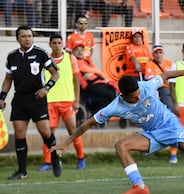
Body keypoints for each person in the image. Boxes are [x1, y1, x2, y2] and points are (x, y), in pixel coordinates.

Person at [49, 68, 184, 194]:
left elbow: (165, 75)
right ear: (123, 95)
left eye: (139, 94)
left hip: (171, 127)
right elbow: (87, 123)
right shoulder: (114, 107)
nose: (138, 98)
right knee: (121, 146)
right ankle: (139, 186)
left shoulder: (146, 85)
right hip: (153, 135)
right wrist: (66, 144)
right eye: (133, 97)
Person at [0, 25, 62, 179]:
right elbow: (8, 79)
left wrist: (46, 88)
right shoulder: (12, 56)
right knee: (20, 134)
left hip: (37, 99)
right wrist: (2, 97)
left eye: (29, 36)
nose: (27, 39)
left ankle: (55, 158)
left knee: (46, 132)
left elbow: (55, 74)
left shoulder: (40, 53)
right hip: (19, 100)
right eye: (23, 36)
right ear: (17, 39)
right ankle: (22, 171)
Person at [38, 33, 86, 172]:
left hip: (67, 101)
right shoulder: (44, 59)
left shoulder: (70, 58)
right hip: (50, 101)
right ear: (50, 44)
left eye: (59, 43)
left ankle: (81, 158)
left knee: (73, 131)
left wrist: (77, 100)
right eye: (54, 43)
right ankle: (47, 162)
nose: (57, 46)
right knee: (48, 133)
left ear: (62, 44)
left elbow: (76, 80)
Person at [72, 42, 118, 117]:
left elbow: (96, 70)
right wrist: (96, 72)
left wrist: (94, 72)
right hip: (90, 86)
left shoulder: (87, 61)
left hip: (99, 83)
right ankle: (101, 115)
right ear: (73, 52)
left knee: (113, 91)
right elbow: (85, 69)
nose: (80, 52)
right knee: (109, 94)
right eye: (77, 50)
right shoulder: (74, 62)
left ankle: (101, 114)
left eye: (82, 50)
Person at [144, 44, 173, 112]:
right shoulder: (149, 64)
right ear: (153, 54)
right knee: (165, 92)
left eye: (160, 52)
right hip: (160, 87)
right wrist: (163, 80)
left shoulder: (169, 63)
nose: (158, 55)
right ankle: (171, 111)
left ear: (163, 53)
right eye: (156, 53)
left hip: (171, 85)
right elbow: (149, 78)